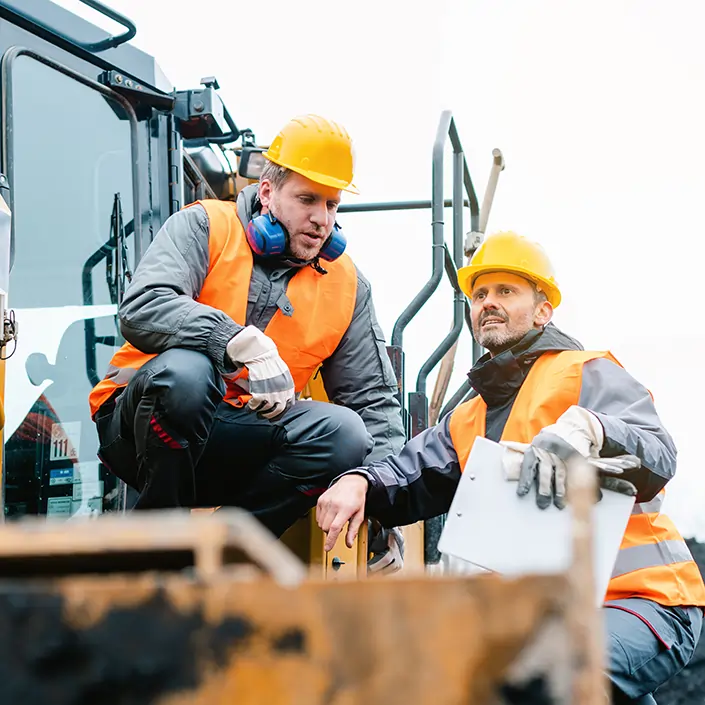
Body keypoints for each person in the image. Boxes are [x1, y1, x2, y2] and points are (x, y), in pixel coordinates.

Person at [315, 230, 705, 702]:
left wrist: (594, 429)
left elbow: (659, 454)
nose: (488, 303)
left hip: (645, 598)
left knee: (546, 673)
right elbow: (407, 475)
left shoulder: (584, 372)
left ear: (543, 310)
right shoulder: (468, 418)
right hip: (560, 614)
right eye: (480, 294)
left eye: (506, 291)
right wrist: (361, 480)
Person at [88, 114, 405, 572]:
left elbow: (372, 400)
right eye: (307, 199)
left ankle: (224, 560)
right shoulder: (205, 226)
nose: (321, 219)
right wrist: (233, 340)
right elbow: (143, 305)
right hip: (142, 430)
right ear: (268, 192)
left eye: (332, 204)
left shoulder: (348, 285)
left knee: (345, 434)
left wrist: (378, 495)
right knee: (187, 376)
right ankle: (159, 550)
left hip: (239, 443)